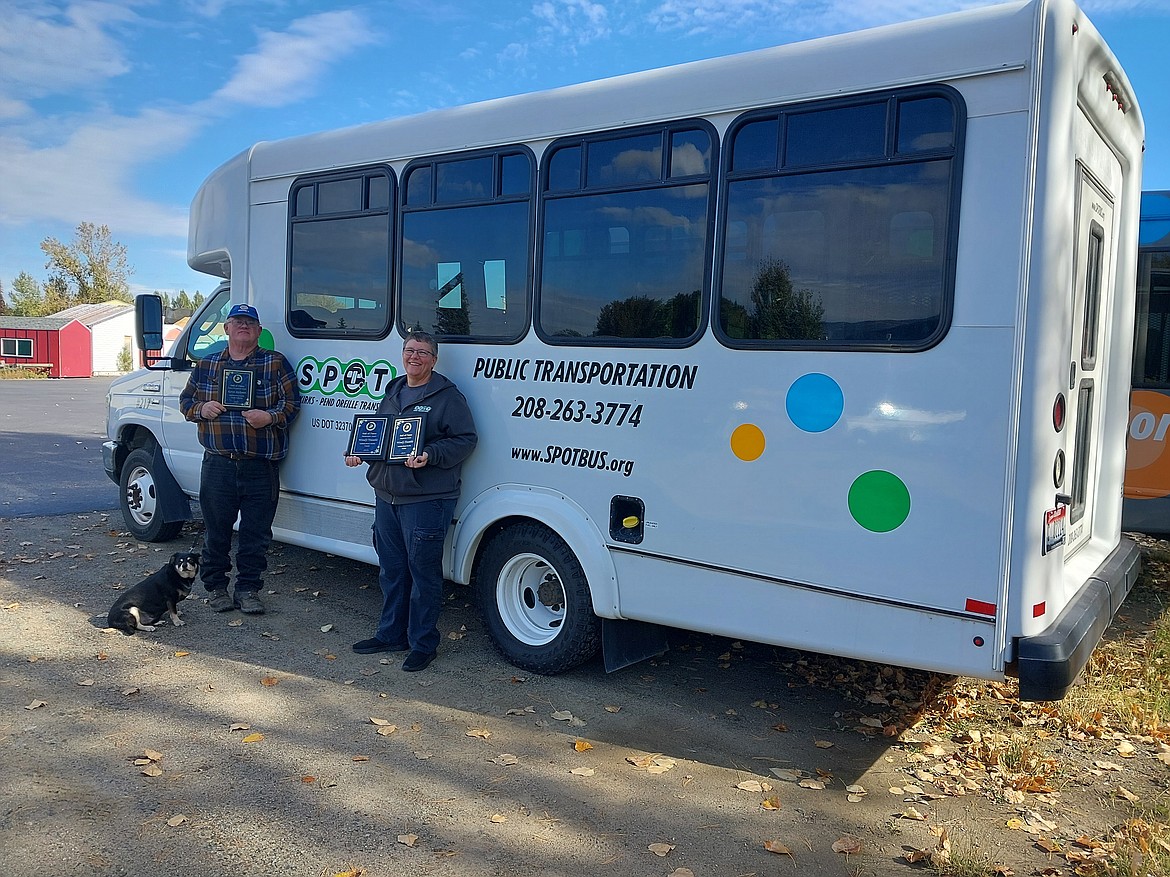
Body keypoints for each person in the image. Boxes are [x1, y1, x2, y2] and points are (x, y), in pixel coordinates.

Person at [345, 331, 477, 671]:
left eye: (422, 352)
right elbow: (381, 435)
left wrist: (430, 454)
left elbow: (466, 440)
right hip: (387, 495)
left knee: (423, 574)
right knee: (392, 571)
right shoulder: (394, 389)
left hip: (426, 499)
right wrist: (362, 453)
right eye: (409, 350)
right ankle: (391, 635)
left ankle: (423, 643)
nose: (414, 356)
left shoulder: (448, 397)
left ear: (434, 359)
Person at [179, 303, 300, 615]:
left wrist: (269, 417)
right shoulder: (206, 365)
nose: (243, 327)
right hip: (218, 463)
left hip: (260, 464)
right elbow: (186, 401)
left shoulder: (275, 363)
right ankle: (216, 588)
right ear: (226, 329)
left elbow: (292, 404)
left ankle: (247, 589)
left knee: (256, 534)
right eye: (237, 322)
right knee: (216, 530)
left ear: (259, 331)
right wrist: (200, 410)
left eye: (250, 323)